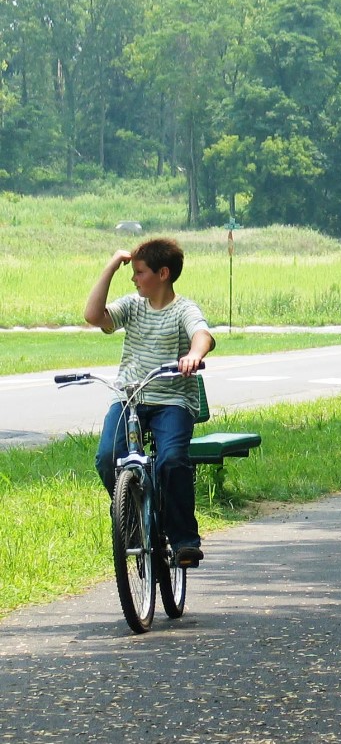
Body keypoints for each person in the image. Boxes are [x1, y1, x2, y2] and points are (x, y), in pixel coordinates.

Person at [84, 238, 215, 567]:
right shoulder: (132, 305)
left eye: (140, 272)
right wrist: (112, 266)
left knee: (170, 460)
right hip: (131, 398)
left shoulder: (184, 309)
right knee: (107, 457)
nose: (134, 278)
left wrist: (194, 355)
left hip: (172, 401)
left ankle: (184, 538)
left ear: (163, 273)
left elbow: (202, 334)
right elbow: (93, 315)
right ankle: (131, 524)